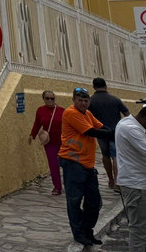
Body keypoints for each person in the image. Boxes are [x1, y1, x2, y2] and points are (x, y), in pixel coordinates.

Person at [61, 85, 115, 247]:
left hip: (87, 164)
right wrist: (115, 134)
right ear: (74, 100)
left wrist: (114, 131)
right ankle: (79, 234)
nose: (83, 103)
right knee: (75, 201)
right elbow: (91, 132)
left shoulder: (88, 114)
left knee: (95, 201)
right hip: (73, 163)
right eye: (80, 100)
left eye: (85, 100)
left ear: (89, 101)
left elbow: (101, 127)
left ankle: (87, 230)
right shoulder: (71, 113)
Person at [115, 100, 146, 252]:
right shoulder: (131, 129)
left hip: (138, 183)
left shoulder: (128, 123)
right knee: (139, 230)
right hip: (136, 186)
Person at [91, 77, 131, 189]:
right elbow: (127, 114)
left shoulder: (91, 101)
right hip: (115, 131)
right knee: (116, 156)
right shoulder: (115, 99)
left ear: (94, 87)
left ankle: (111, 179)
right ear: (106, 86)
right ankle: (118, 182)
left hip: (100, 132)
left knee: (105, 155)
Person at [31, 90, 65, 195]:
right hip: (49, 142)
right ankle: (57, 187)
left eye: (52, 98)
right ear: (43, 99)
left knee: (65, 164)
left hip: (62, 141)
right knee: (53, 164)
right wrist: (32, 135)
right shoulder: (40, 110)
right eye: (47, 98)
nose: (50, 100)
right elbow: (37, 124)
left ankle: (70, 185)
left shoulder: (61, 110)